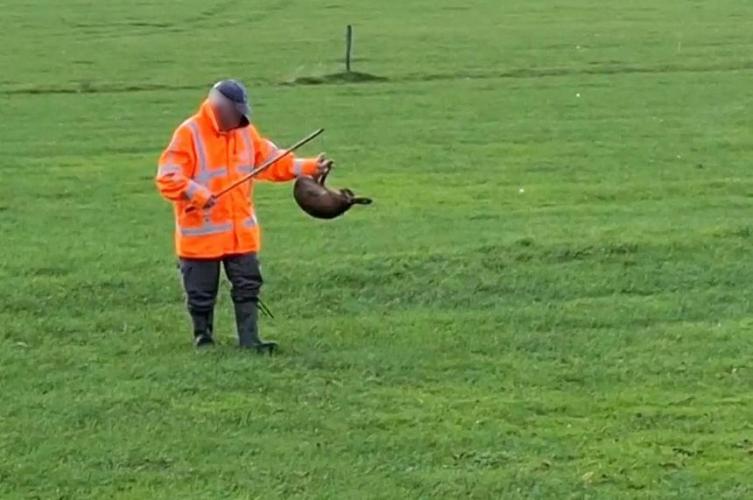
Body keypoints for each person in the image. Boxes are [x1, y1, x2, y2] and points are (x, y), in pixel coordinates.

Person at [155, 79, 330, 351]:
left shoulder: (245, 132)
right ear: (218, 109)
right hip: (202, 234)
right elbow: (167, 177)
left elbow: (272, 161)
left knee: (248, 285)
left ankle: (250, 340)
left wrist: (309, 167)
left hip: (241, 233)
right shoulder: (189, 133)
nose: (241, 119)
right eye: (235, 114)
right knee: (201, 293)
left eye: (242, 113)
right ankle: (203, 339)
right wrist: (197, 193)